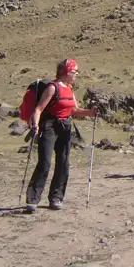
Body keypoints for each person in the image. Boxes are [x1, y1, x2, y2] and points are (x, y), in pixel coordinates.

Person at [25, 58, 98, 212]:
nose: (76, 73)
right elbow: (38, 109)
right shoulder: (53, 88)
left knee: (63, 163)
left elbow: (74, 110)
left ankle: (56, 198)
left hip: (65, 127)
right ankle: (33, 199)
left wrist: (91, 112)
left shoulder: (70, 89)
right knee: (45, 162)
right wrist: (35, 125)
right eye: (74, 71)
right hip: (50, 126)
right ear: (65, 72)